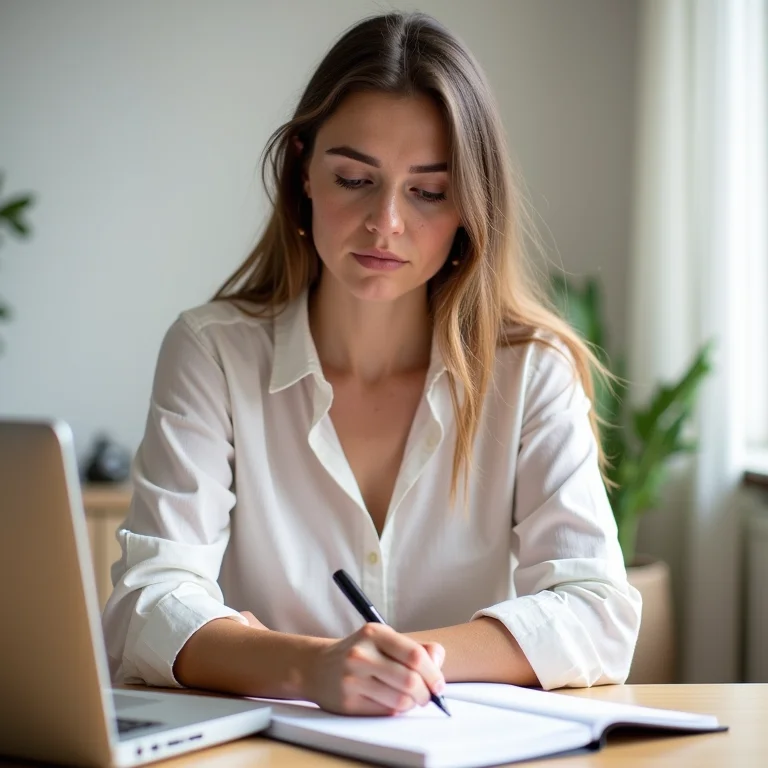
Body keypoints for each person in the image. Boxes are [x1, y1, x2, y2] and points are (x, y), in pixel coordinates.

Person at [102, 11, 641, 717]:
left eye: (428, 191)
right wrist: (314, 668)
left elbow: (597, 611)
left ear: (470, 206)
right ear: (303, 172)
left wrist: (394, 666)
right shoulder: (212, 353)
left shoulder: (531, 372)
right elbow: (148, 603)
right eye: (355, 178)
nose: (386, 222)